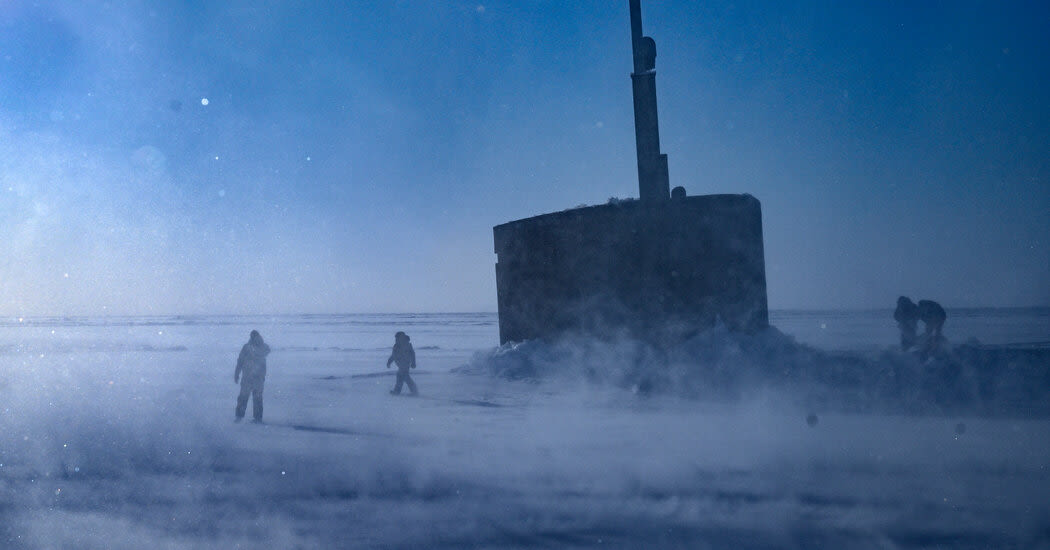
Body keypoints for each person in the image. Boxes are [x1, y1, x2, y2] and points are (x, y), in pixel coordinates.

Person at [234, 330, 270, 423]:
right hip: (256, 377)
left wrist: (236, 374)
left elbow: (240, 361)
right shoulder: (262, 347)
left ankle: (240, 417)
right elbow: (241, 361)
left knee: (245, 397)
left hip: (250, 377)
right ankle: (256, 418)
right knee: (255, 398)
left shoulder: (248, 347)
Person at [386, 331, 418, 396]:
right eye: (396, 338)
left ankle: (412, 391)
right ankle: (411, 391)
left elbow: (412, 354)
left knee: (403, 376)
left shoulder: (407, 344)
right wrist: (389, 362)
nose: (396, 339)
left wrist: (413, 362)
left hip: (405, 364)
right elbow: (393, 355)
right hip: (400, 364)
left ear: (401, 337)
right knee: (403, 377)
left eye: (397, 338)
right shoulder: (396, 346)